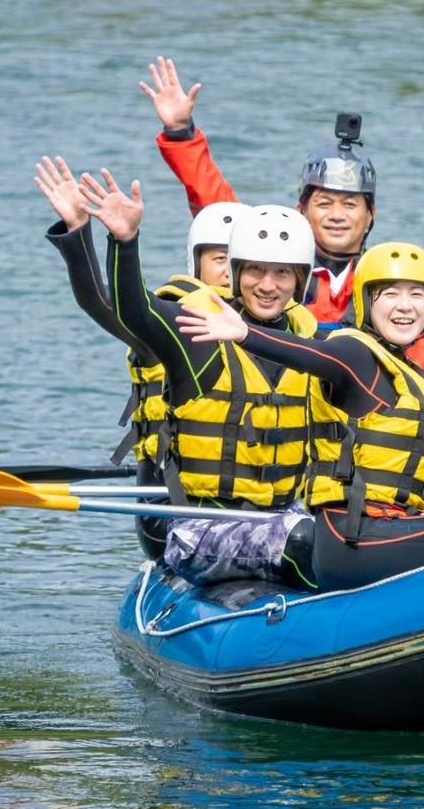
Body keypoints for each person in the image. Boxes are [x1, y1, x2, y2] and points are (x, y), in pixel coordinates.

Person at [176, 241, 424, 591]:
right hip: (351, 539)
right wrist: (246, 334)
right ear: (366, 302)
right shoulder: (353, 353)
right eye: (390, 294)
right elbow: (313, 355)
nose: (405, 306)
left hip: (392, 528)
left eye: (417, 295)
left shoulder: (413, 377)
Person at [139, 54, 424, 417]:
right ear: (302, 211)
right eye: (324, 203)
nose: (337, 216)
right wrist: (181, 134)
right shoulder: (272, 264)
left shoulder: (391, 286)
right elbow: (216, 204)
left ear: (370, 215)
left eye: (351, 205)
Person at [84, 169, 323, 588]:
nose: (268, 285)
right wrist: (124, 243)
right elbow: (134, 312)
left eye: (282, 273)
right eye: (254, 271)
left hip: (285, 516)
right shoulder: (198, 335)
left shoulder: (309, 343)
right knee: (309, 541)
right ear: (237, 271)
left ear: (300, 280)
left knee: (338, 538)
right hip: (202, 529)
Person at [35, 155, 246, 560]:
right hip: (173, 509)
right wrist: (80, 232)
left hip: (262, 506)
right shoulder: (170, 327)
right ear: (196, 263)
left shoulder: (284, 329)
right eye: (219, 259)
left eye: (238, 261)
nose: (229, 272)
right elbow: (100, 302)